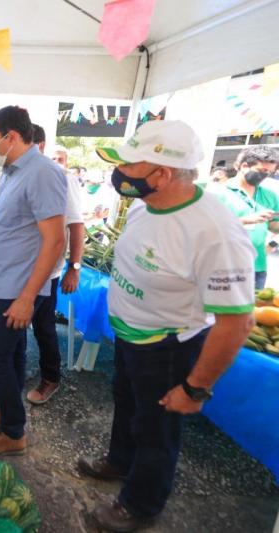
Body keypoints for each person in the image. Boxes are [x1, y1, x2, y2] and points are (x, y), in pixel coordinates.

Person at [81, 120, 254, 532]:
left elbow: (237, 323)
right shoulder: (145, 205)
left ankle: (141, 504)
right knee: (126, 403)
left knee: (158, 427)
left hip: (167, 346)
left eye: (130, 166)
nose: (120, 174)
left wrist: (195, 388)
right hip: (129, 335)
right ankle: (119, 461)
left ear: (163, 174)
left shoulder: (214, 232)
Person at [0, 106, 67, 455]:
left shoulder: (42, 173)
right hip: (3, 279)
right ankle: (6, 411)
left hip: (18, 288)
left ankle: (13, 432)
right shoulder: (12, 171)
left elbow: (56, 240)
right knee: (11, 355)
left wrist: (27, 297)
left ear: (11, 136)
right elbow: (3, 220)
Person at [25, 135, 85, 404]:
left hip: (47, 269)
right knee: (26, 326)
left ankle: (51, 378)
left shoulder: (60, 177)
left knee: (43, 326)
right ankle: (20, 373)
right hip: (21, 268)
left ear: (38, 145)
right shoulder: (18, 174)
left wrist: (74, 267)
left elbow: (76, 226)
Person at [208, 146, 279, 290]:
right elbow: (203, 227)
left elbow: (274, 226)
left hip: (257, 267)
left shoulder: (270, 195)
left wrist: (271, 245)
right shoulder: (216, 192)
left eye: (270, 172)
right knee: (220, 311)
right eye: (262, 171)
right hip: (222, 267)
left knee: (254, 310)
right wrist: (246, 220)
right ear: (243, 166)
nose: (265, 176)